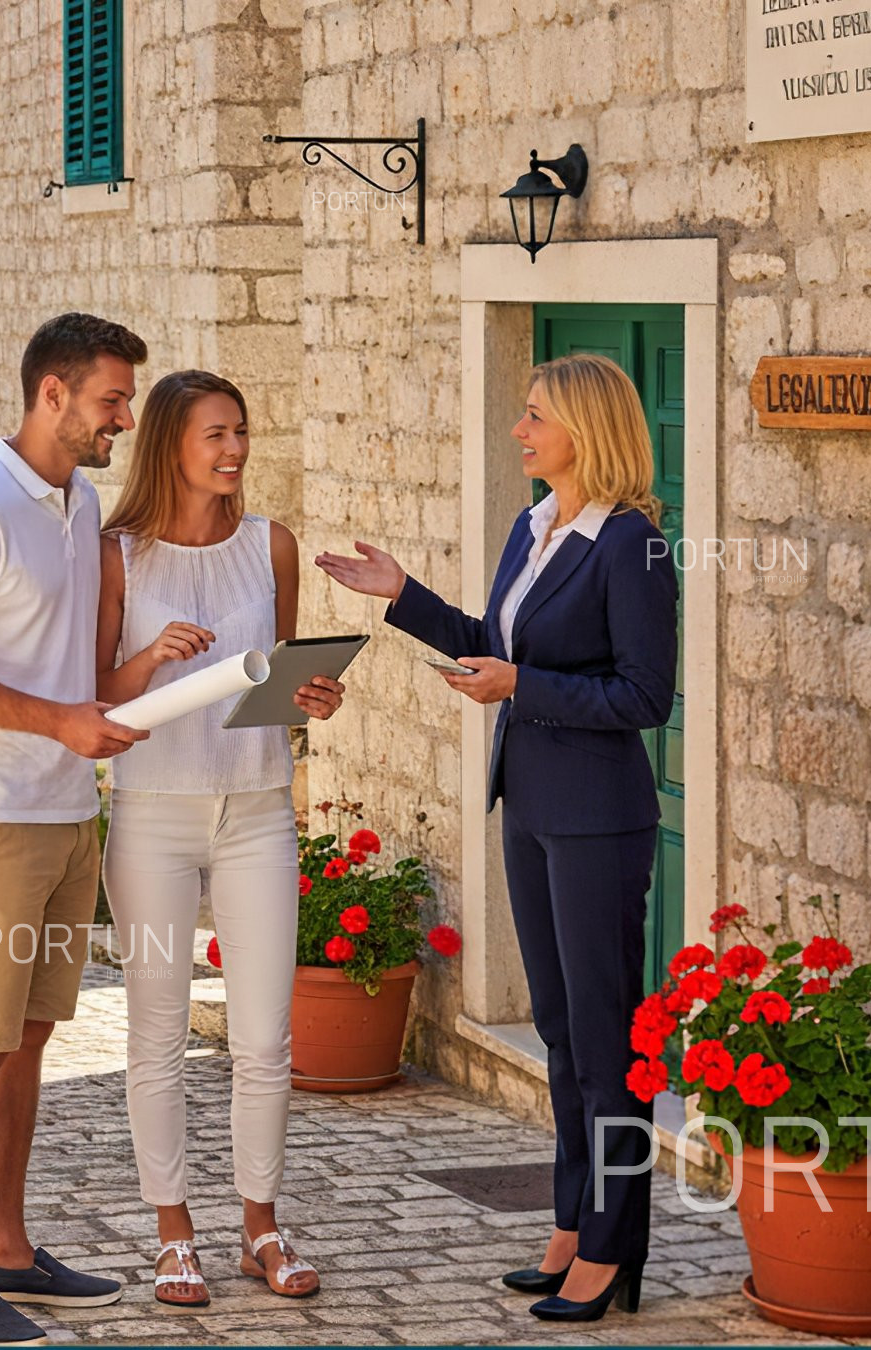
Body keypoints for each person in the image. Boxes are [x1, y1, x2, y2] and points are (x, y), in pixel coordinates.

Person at [316, 352, 676, 1324]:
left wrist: (525, 691)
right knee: (561, 1033)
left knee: (608, 1042)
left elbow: (648, 696)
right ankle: (572, 1223)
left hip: (602, 819)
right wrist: (404, 596)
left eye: (535, 417)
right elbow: (497, 641)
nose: (519, 431)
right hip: (529, 807)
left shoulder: (633, 545)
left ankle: (614, 1247)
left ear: (585, 430)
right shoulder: (533, 526)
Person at [0, 313, 153, 1348]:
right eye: (111, 401)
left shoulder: (78, 500)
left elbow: (74, 673)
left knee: (30, 1035)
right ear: (53, 394)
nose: (125, 421)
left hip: (64, 811)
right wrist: (56, 721)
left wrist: (131, 690)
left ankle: (5, 1246)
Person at [93, 370, 344, 1308]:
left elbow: (274, 679)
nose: (235, 450)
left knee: (263, 1036)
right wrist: (150, 661)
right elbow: (95, 694)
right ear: (170, 444)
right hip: (152, 811)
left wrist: (312, 696)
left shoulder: (270, 546)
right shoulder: (120, 555)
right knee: (156, 1030)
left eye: (241, 432)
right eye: (216, 435)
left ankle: (262, 1226)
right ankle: (172, 1234)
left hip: (257, 807)